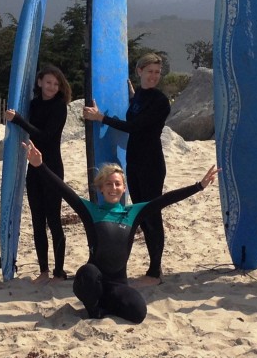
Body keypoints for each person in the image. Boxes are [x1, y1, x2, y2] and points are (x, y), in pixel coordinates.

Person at [22, 139, 217, 324]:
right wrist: (40, 166)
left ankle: (105, 303)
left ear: (124, 188)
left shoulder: (133, 213)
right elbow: (64, 190)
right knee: (87, 273)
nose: (113, 188)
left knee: (138, 312)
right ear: (101, 188)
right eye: (108, 184)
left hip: (117, 283)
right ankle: (94, 309)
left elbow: (165, 199)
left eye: (117, 184)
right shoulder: (91, 211)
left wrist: (198, 186)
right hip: (93, 280)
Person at [83, 53, 170, 287]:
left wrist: (101, 118)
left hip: (151, 163)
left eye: (157, 72)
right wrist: (132, 96)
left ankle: (155, 272)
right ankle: (153, 269)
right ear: (139, 71)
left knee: (152, 214)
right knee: (140, 215)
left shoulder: (161, 101)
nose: (153, 76)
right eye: (149, 71)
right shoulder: (139, 95)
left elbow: (135, 126)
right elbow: (136, 108)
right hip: (134, 160)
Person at [4, 65, 72, 283]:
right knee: (37, 220)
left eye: (56, 84)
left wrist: (18, 120)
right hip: (33, 168)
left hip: (51, 168)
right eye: (48, 82)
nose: (52, 87)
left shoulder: (59, 107)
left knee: (54, 220)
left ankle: (59, 272)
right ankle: (43, 271)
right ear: (40, 82)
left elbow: (45, 137)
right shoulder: (33, 105)